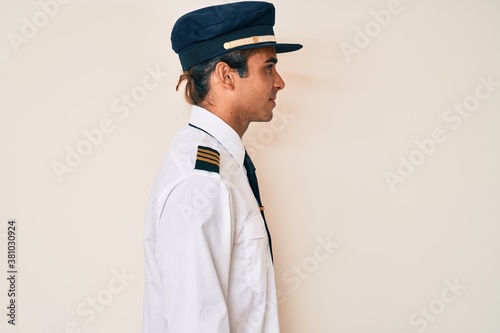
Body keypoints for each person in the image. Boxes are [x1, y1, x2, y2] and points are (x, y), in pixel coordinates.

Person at [142, 2, 302, 332]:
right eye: (268, 68)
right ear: (226, 75)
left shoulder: (221, 163)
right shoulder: (203, 182)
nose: (280, 82)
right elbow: (194, 322)